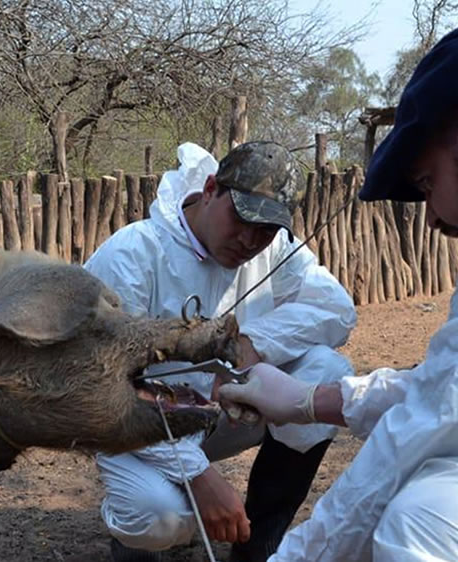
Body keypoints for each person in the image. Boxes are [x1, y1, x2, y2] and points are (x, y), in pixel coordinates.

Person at [218, 23, 458, 562]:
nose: (435, 221)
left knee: (431, 520)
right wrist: (310, 402)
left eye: (426, 184)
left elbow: (427, 426)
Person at [84, 141, 357, 562]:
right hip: (132, 427)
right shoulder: (133, 254)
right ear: (211, 188)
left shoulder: (277, 249)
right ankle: (131, 531)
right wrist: (197, 474)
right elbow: (100, 388)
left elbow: (336, 308)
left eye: (265, 229)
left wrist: (252, 343)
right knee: (159, 517)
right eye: (241, 218)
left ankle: (257, 545)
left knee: (326, 370)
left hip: (223, 414)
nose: (250, 240)